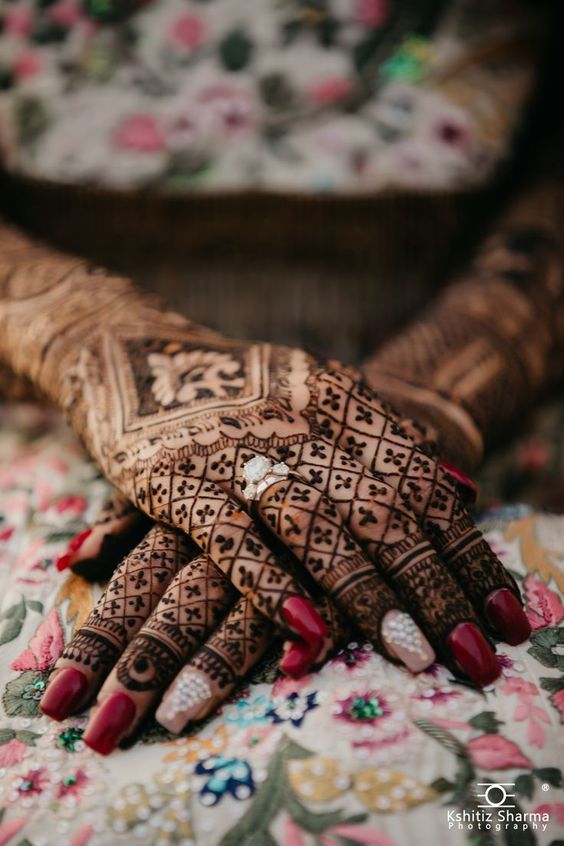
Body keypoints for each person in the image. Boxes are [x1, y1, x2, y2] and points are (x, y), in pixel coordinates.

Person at [0, 2, 562, 844]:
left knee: (504, 804)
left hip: (504, 356)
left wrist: (436, 385)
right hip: (37, 380)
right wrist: (100, 343)